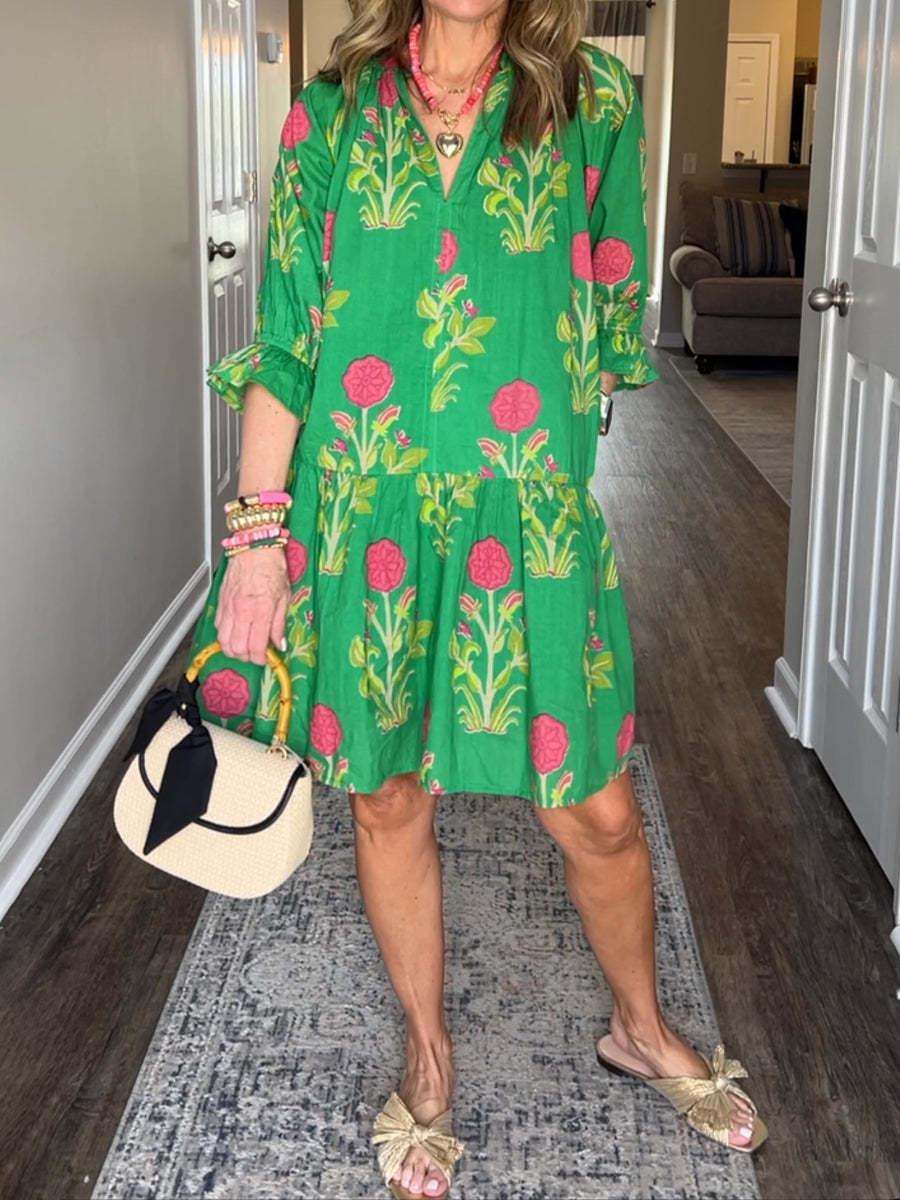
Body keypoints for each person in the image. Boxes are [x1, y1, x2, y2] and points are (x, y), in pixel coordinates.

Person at [191, 1, 768, 1195]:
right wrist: (257, 538)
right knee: (387, 792)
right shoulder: (330, 115)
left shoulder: (595, 104)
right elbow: (288, 341)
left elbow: (604, 326)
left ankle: (642, 1027)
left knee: (598, 810)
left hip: (526, 519)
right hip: (363, 517)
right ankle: (429, 1055)